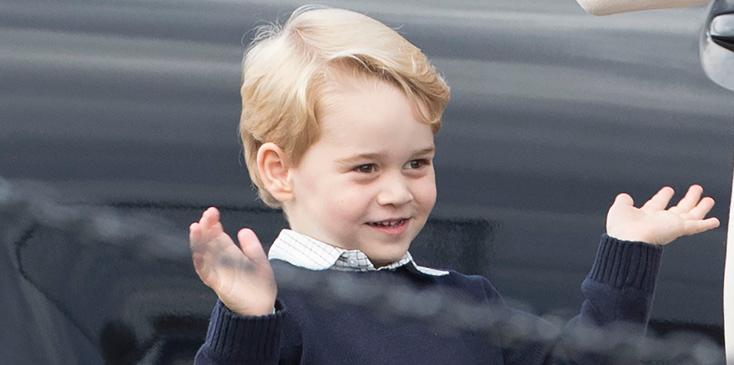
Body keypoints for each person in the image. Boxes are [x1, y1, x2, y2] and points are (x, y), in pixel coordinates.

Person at [188, 5, 720, 364]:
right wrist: (245, 317)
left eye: (417, 163)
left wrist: (628, 253)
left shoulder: (465, 301)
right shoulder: (274, 310)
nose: (398, 191)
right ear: (279, 171)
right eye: (366, 168)